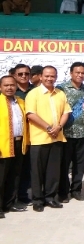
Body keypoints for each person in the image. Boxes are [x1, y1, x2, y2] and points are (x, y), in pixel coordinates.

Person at [25, 66, 72, 212]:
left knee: (53, 171)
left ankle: (50, 197)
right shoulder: (33, 94)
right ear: (41, 76)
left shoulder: (60, 93)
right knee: (37, 171)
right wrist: (48, 127)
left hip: (57, 138)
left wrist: (58, 127)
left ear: (56, 77)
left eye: (52, 76)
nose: (49, 79)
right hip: (39, 139)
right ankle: (38, 200)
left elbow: (66, 112)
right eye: (47, 76)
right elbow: (30, 114)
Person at [56, 62, 84, 202]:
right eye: (77, 72)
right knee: (64, 164)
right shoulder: (61, 89)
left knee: (80, 164)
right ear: (71, 73)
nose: (80, 75)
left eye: (83, 73)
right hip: (65, 133)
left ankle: (76, 190)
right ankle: (63, 192)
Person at [0, 75, 29, 218]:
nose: (9, 88)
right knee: (1, 177)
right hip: (2, 145)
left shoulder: (20, 102)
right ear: (0, 87)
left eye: (12, 85)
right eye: (6, 85)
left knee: (15, 176)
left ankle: (10, 203)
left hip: (19, 143)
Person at [13, 64, 33, 205]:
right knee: (12, 168)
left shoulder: (36, 91)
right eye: (20, 74)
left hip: (32, 136)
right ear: (15, 76)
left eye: (26, 73)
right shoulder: (11, 91)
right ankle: (10, 196)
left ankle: (22, 194)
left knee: (26, 168)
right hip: (13, 135)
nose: (24, 76)